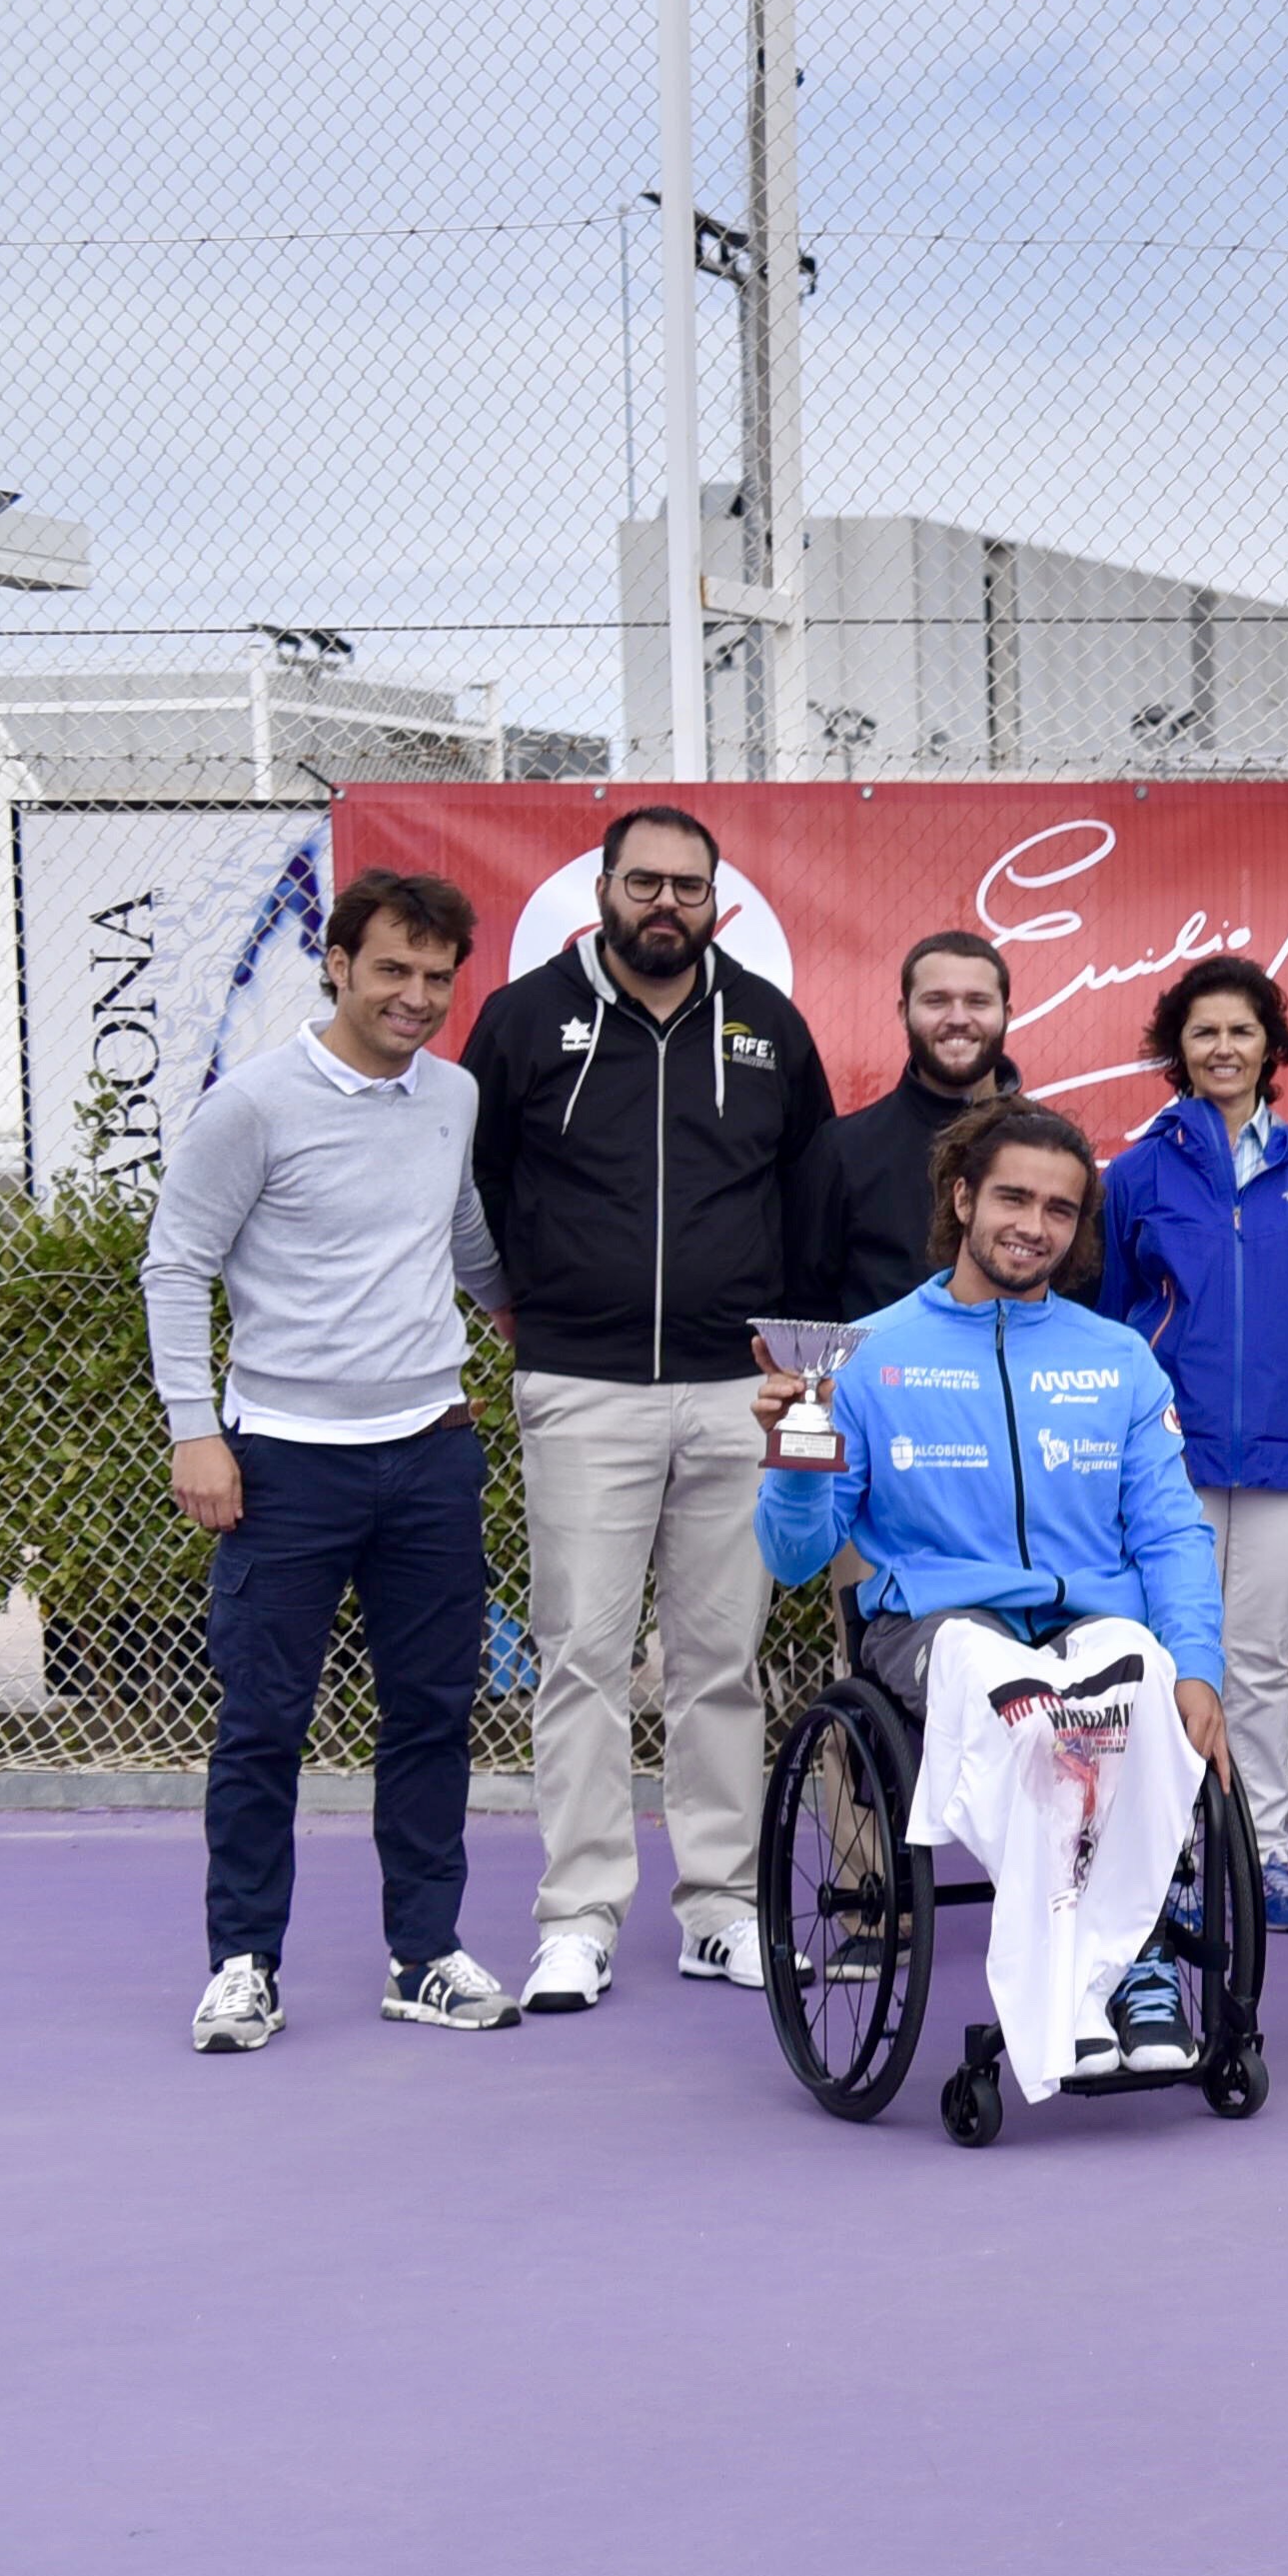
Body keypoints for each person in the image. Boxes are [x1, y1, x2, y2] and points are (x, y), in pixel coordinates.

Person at [745, 1101, 1236, 2093]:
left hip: (1085, 1625)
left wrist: (1197, 1668)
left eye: (1060, 1208)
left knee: (1135, 1671)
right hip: (935, 1630)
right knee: (1019, 1692)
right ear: (962, 1196)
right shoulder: (869, 1353)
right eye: (1013, 1195)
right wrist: (799, 1460)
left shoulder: (1117, 1359)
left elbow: (1172, 1532)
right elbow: (797, 1557)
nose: (1035, 1224)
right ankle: (1078, 1979)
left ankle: (1129, 1960)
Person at [459, 799, 836, 2014]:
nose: (662, 904)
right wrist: (530, 1311)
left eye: (686, 886)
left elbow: (808, 1198)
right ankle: (577, 1915)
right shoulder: (524, 1023)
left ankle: (719, 1907)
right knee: (580, 1656)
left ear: (717, 903)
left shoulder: (770, 1027)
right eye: (643, 883)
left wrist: (794, 1369)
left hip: (737, 1391)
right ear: (602, 892)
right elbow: (480, 1188)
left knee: (721, 1661)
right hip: (583, 1386)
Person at [149, 865, 520, 2048]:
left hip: (432, 1454)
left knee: (432, 1714)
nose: (414, 995)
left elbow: (459, 1225)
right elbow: (174, 1267)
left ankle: (425, 1953)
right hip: (283, 1469)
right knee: (263, 1723)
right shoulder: (252, 1103)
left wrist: (525, 1313)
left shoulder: (452, 1093)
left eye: (436, 976)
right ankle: (243, 1961)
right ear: (339, 965)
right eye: (392, 970)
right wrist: (194, 1430)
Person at [1097, 953, 1288, 1927]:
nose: (1222, 1046)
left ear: (1270, 1047)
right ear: (1179, 1046)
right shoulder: (1136, 1172)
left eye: (1240, 1030)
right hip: (1172, 1458)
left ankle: (1262, 1857)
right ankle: (1169, 1859)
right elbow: (1109, 1314)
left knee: (1255, 1660)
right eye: (1203, 1030)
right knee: (1172, 1657)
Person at [805, 929, 1015, 1316]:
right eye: (936, 1001)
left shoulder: (1050, 1149)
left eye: (978, 1001)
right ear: (904, 1013)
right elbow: (809, 1299)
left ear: (1006, 1013)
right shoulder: (843, 1148)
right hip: (878, 1375)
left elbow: (1079, 1287)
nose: (958, 1019)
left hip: (1015, 1372)